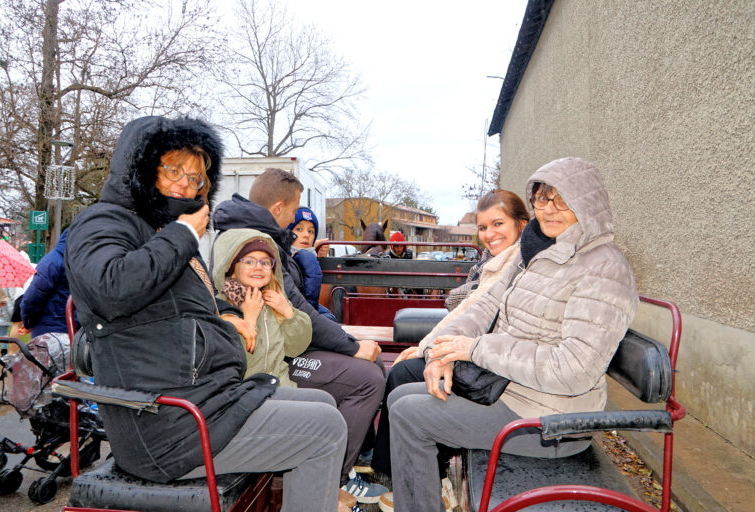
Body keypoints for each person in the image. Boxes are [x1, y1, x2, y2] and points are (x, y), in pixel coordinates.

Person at [64, 116, 349, 512]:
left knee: (322, 404)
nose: (186, 184)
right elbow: (111, 288)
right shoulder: (103, 221)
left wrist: (227, 315)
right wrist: (183, 235)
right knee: (326, 430)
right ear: (140, 167)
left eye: (197, 178)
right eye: (174, 170)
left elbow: (194, 303)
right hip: (164, 426)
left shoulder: (163, 230)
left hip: (205, 400)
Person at [383, 157, 638, 512]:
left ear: (587, 201)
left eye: (561, 199)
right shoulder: (535, 252)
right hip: (510, 390)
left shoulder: (604, 268)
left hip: (552, 419)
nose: (549, 209)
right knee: (400, 399)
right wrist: (442, 352)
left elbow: (575, 369)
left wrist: (473, 349)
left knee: (410, 415)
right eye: (542, 198)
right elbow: (483, 306)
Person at [214, 170, 389, 504]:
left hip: (286, 347)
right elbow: (296, 311)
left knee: (370, 366)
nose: (294, 218)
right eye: (294, 211)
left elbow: (294, 312)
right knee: (366, 377)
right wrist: (351, 347)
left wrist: (345, 341)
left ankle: (355, 462)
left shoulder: (262, 239)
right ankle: (334, 478)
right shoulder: (256, 245)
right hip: (271, 365)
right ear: (279, 207)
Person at [371, 190, 529, 510]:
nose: (489, 234)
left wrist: (431, 349)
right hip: (476, 349)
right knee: (405, 374)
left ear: (522, 225)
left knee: (405, 376)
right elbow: (463, 308)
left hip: (491, 363)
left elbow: (467, 307)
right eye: (483, 228)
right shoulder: (494, 260)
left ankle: (428, 474)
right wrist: (427, 347)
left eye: (498, 224)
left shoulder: (518, 263)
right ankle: (398, 472)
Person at [213, 229, 311, 386]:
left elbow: (296, 349)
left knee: (326, 401)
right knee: (324, 410)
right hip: (246, 394)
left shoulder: (275, 301)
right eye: (249, 261)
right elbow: (229, 364)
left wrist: (288, 313)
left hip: (281, 385)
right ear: (231, 270)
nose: (258, 268)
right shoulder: (222, 308)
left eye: (265, 262)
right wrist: (249, 320)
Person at [21, 228, 71, 339]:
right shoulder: (87, 263)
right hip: (77, 330)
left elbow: (33, 297)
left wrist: (28, 322)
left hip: (49, 329)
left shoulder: (53, 260)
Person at [286, 206, 334, 318]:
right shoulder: (301, 257)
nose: (306, 235)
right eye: (299, 229)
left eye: (311, 231)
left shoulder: (310, 255)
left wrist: (318, 255)